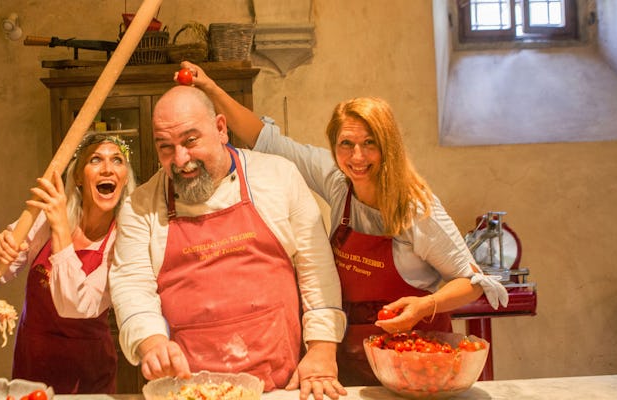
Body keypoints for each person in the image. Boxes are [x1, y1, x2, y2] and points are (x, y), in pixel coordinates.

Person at [178, 61, 510, 386]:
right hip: (351, 361)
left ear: (388, 146)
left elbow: (472, 281)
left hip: (414, 365)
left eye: (370, 144)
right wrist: (210, 87)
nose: (357, 157)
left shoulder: (417, 209)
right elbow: (266, 139)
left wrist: (424, 306)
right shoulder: (338, 182)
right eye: (346, 144)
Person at [109, 85, 348, 400]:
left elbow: (316, 270)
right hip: (190, 389)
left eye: (191, 141)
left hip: (280, 386)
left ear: (221, 129)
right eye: (166, 147)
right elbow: (131, 284)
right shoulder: (140, 206)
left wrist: (321, 348)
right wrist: (151, 342)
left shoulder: (278, 177)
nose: (181, 160)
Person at [0, 133, 135, 394]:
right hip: (33, 361)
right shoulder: (45, 222)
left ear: (124, 177)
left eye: (117, 160)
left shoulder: (123, 239)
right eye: (96, 160)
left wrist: (62, 232)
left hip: (88, 371)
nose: (108, 169)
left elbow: (77, 305)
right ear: (78, 176)